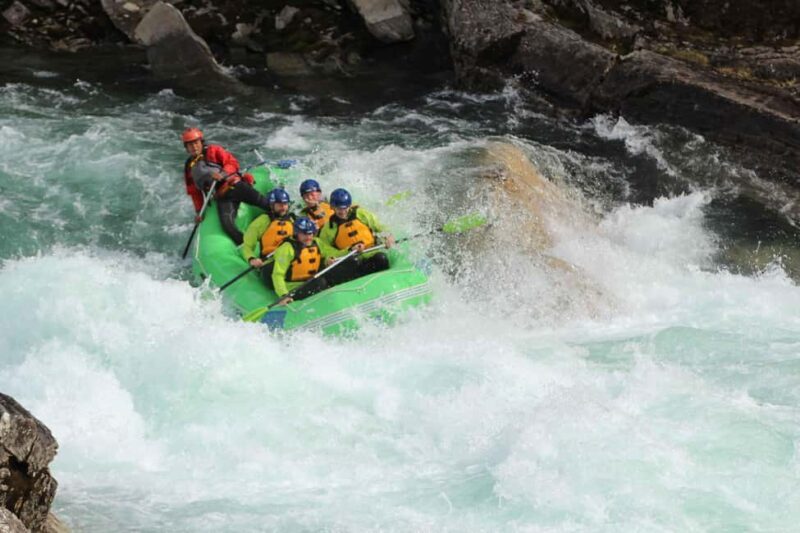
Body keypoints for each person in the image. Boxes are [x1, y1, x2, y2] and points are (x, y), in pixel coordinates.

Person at [181, 127, 271, 245]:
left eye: (196, 143)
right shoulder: (189, 166)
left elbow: (232, 163)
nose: (194, 147)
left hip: (236, 186)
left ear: (201, 142)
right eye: (190, 145)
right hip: (222, 196)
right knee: (228, 227)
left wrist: (222, 174)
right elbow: (194, 191)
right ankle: (248, 246)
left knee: (266, 205)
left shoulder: (213, 150)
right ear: (186, 148)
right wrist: (199, 212)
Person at [318, 188, 395, 285]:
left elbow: (379, 226)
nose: (343, 212)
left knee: (381, 258)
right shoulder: (329, 228)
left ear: (349, 205)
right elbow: (324, 250)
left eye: (345, 208)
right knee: (354, 261)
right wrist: (328, 260)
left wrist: (388, 236)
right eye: (339, 209)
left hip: (370, 254)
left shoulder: (361, 214)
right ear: (332, 207)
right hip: (350, 260)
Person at [271, 217, 336, 306]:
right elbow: (278, 275)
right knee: (320, 282)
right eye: (304, 234)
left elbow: (332, 252)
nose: (308, 237)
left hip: (310, 282)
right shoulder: (286, 249)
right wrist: (284, 295)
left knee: (329, 276)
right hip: (293, 289)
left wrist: (329, 259)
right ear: (296, 233)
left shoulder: (316, 242)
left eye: (310, 234)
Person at [241, 188, 296, 287]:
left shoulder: (292, 220)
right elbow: (247, 246)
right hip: (270, 261)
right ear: (271, 205)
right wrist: (251, 259)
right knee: (269, 271)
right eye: (279, 205)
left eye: (285, 204)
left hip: (290, 260)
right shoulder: (262, 221)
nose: (283, 207)